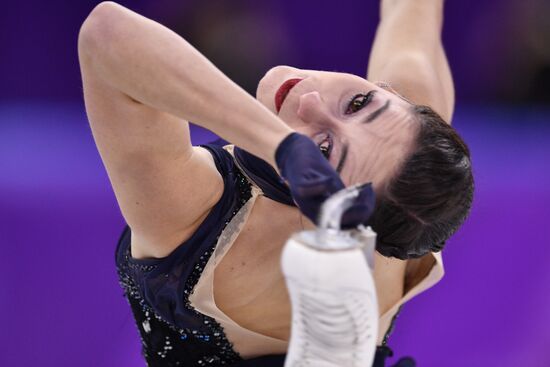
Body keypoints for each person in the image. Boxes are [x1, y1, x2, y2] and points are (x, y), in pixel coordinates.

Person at [77, 0, 473, 366]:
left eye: (322, 150)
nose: (310, 101)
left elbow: (106, 33)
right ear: (394, 94)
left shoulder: (197, 217)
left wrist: (281, 145)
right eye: (358, 103)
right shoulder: (407, 171)